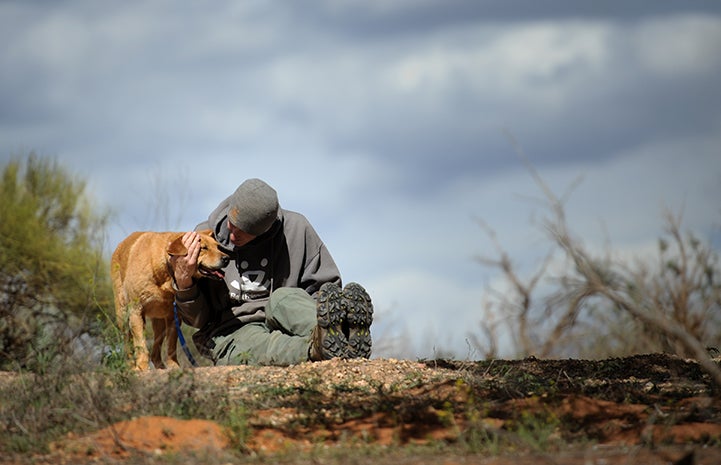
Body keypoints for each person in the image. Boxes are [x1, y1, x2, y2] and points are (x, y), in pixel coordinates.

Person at [170, 178, 373, 366]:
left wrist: (321, 313)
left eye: (242, 233)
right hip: (234, 329)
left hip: (284, 314)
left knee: (285, 298)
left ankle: (341, 336)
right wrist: (184, 281)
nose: (232, 236)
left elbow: (324, 291)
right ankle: (317, 349)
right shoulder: (204, 240)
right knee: (260, 345)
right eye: (232, 226)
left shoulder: (297, 229)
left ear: (265, 231)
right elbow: (197, 321)